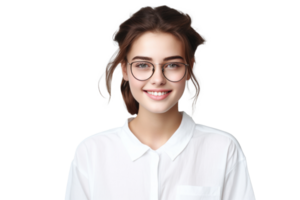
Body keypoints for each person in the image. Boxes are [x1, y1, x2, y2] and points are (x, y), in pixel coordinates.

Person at [64, 4, 256, 200]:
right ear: (125, 69)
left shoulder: (222, 149)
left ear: (189, 68)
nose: (158, 79)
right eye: (143, 65)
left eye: (172, 65)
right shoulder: (91, 153)